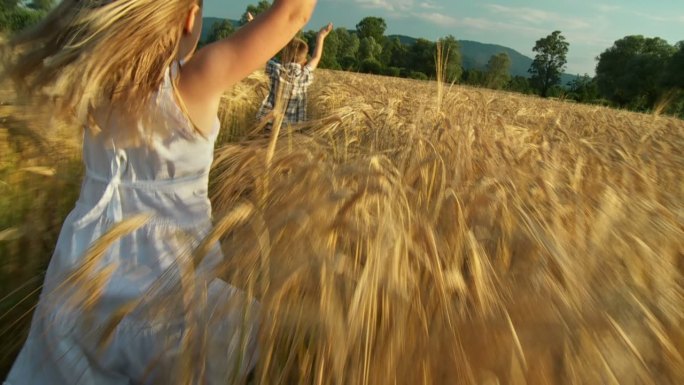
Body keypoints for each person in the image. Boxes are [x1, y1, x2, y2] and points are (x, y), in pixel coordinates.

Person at [1, 0, 316, 384]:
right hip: (170, 279)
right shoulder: (194, 82)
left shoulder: (98, 86)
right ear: (188, 18)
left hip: (83, 268)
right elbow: (292, 15)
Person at [256, 22, 333, 132]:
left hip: (270, 125)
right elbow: (316, 57)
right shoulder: (304, 75)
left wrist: (255, 24)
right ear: (304, 62)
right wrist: (321, 36)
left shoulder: (276, 69)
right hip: (293, 131)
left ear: (284, 56)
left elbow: (262, 51)